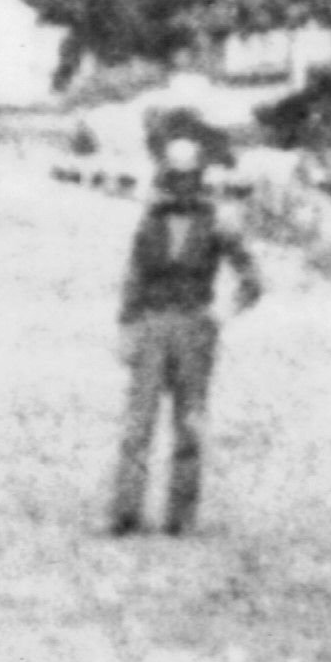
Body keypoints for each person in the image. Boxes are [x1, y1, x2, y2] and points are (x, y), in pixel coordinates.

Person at [105, 119, 263, 537]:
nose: (179, 179)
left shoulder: (218, 222)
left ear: (199, 172)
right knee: (138, 423)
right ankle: (126, 513)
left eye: (187, 169)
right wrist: (126, 328)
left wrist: (222, 313)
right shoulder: (151, 220)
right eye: (172, 169)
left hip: (195, 326)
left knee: (189, 423)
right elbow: (134, 278)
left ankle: (181, 516)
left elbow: (252, 281)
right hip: (152, 325)